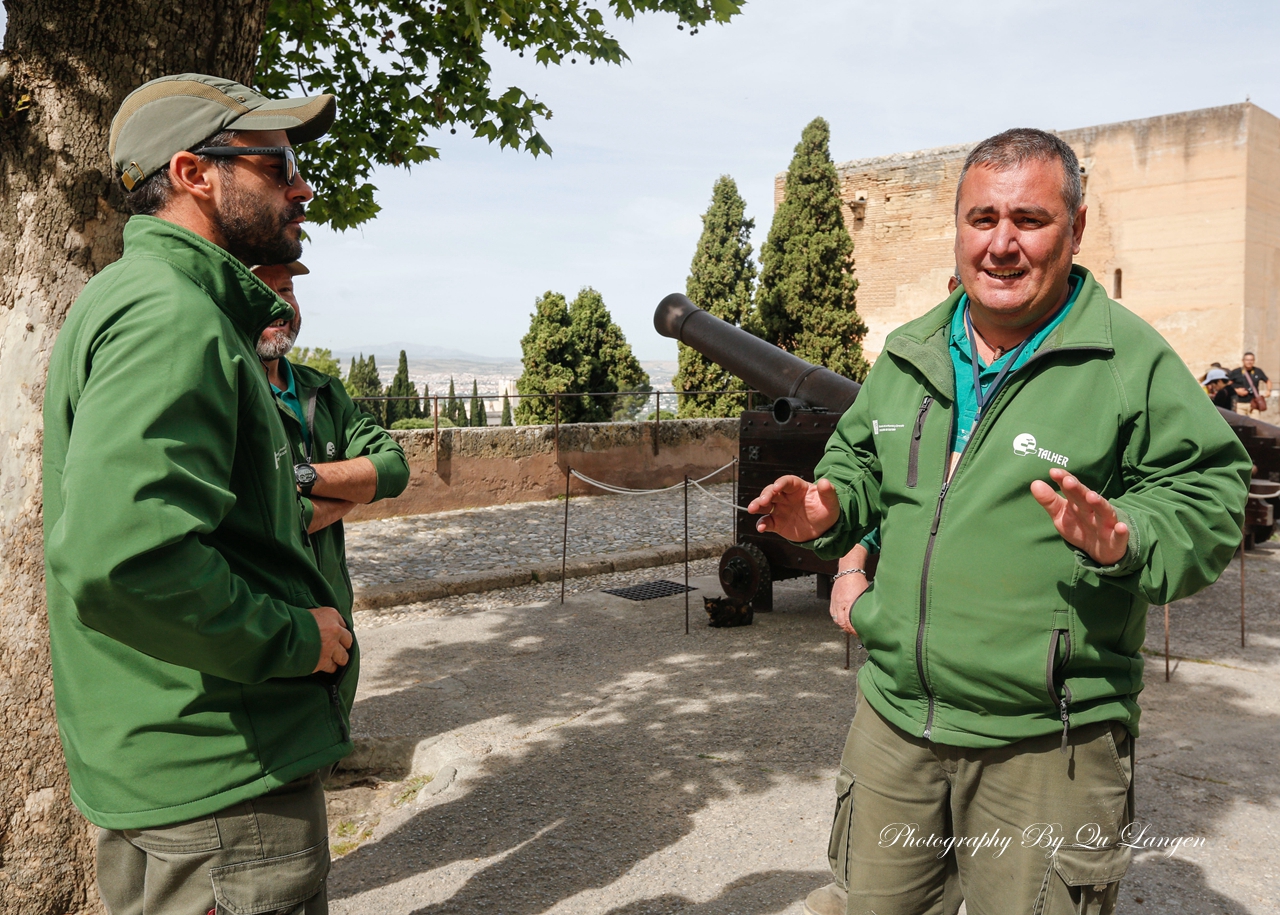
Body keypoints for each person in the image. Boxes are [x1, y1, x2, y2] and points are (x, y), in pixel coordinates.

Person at [753, 128, 1250, 915]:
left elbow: (1211, 491)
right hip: (896, 725)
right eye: (982, 219)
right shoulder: (910, 350)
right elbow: (861, 462)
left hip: (1046, 742)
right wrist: (830, 506)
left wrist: (1129, 536)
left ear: (1075, 230)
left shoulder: (1129, 361)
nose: (1002, 243)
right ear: (957, 230)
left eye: (1030, 219)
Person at [43, 74, 353, 914]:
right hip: (221, 787)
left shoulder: (138, 298)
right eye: (278, 161)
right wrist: (296, 637)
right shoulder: (170, 315)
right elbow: (123, 560)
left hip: (181, 769)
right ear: (193, 172)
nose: (302, 185)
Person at [253, 261, 409, 612]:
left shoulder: (323, 391)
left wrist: (304, 479)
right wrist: (347, 491)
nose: (280, 304)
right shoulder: (226, 393)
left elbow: (394, 468)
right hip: (270, 628)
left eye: (286, 290)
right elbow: (264, 523)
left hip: (336, 619)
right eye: (262, 290)